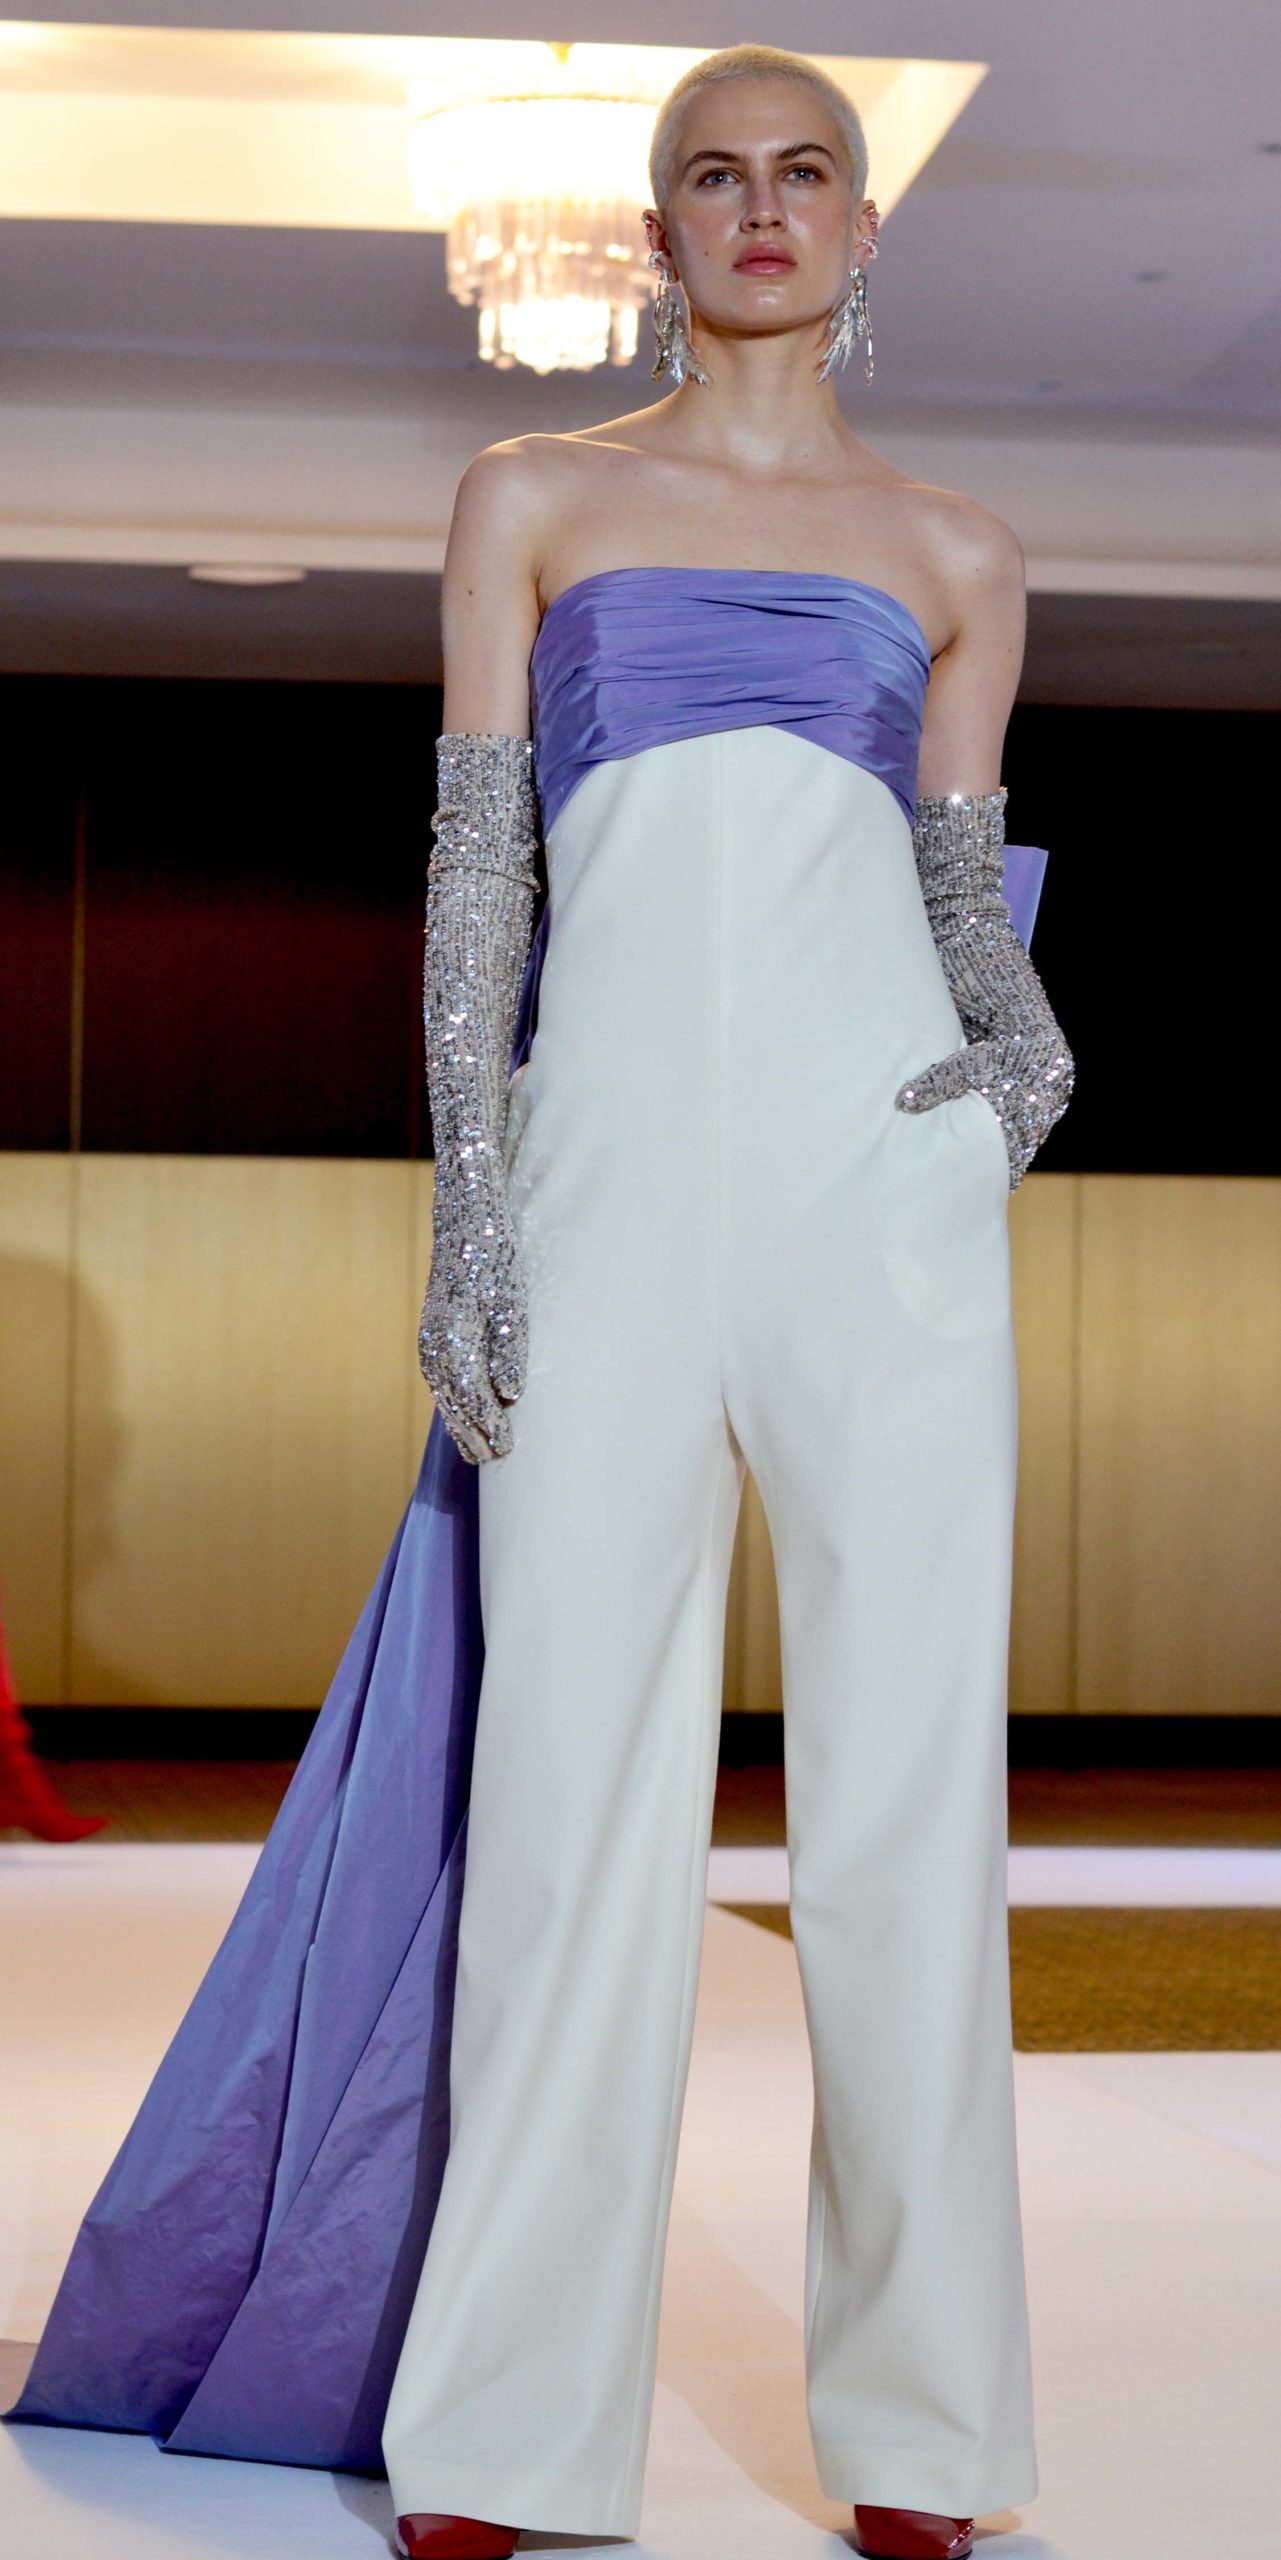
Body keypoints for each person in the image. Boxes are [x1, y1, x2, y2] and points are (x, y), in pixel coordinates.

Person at [6, 45, 1072, 2560]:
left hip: (882, 1211)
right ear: (657, 226)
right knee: (568, 1809)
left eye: (803, 170)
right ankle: (504, 2431)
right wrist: (473, 1209)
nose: (760, 205)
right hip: (597, 1199)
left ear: (860, 229)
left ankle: (925, 2437)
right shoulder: (533, 496)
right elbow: (476, 876)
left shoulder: (956, 550)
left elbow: (959, 909)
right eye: (711, 173)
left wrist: (1017, 1075)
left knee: (909, 1820)